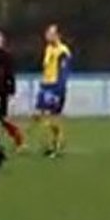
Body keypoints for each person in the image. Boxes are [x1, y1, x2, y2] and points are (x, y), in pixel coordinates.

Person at [35, 24, 72, 158]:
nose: (47, 36)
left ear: (57, 35)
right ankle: (50, 144)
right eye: (47, 33)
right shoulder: (48, 48)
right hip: (46, 86)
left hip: (55, 87)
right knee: (40, 116)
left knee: (53, 117)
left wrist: (58, 90)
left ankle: (56, 145)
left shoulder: (63, 51)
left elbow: (63, 73)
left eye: (50, 33)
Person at [0, 30, 24, 149]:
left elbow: (10, 74)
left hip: (1, 91)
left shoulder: (6, 56)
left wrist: (11, 90)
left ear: (2, 41)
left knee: (0, 118)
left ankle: (17, 137)